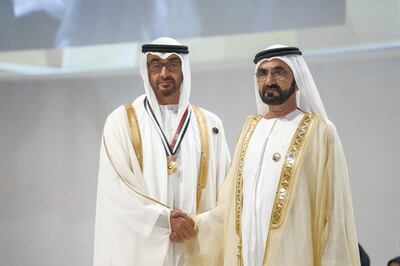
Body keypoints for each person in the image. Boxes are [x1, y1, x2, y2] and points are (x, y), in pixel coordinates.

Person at [185, 45, 360, 265]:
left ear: (297, 79)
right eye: (262, 73)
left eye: (279, 72)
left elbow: (334, 213)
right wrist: (192, 226)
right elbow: (228, 206)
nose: (269, 81)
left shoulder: (319, 131)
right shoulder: (250, 129)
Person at [93, 37, 230, 266]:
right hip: (141, 251)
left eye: (173, 65)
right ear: (146, 71)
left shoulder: (209, 123)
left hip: (194, 247)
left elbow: (225, 190)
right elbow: (116, 189)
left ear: (184, 69)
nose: (164, 73)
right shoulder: (122, 122)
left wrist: (194, 225)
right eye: (156, 65)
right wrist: (165, 220)